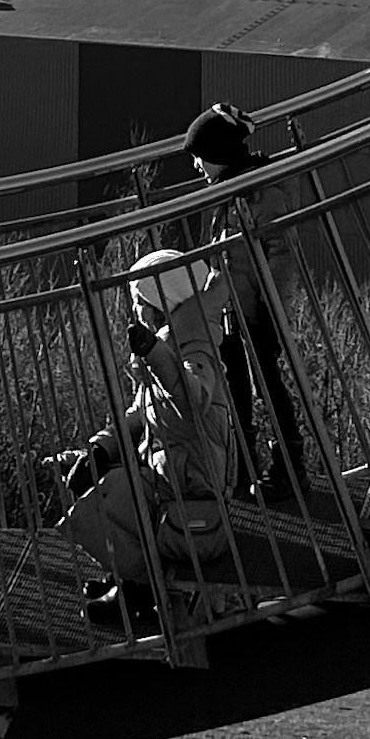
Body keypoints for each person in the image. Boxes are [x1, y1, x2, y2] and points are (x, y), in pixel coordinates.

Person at [49, 243, 243, 637]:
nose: (136, 312)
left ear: (160, 304)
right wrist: (100, 447)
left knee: (115, 492)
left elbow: (193, 399)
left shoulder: (196, 345)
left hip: (193, 485)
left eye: (140, 303)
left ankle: (137, 585)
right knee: (100, 475)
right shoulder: (174, 341)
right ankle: (128, 578)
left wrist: (155, 354)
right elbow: (140, 413)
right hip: (172, 475)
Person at [184, 102, 311, 506]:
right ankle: (242, 467)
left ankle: (288, 469)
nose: (197, 167)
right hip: (232, 311)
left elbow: (281, 253)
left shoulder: (260, 194)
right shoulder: (231, 192)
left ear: (220, 154)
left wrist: (272, 309)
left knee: (266, 385)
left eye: (200, 157)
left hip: (256, 312)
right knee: (236, 385)